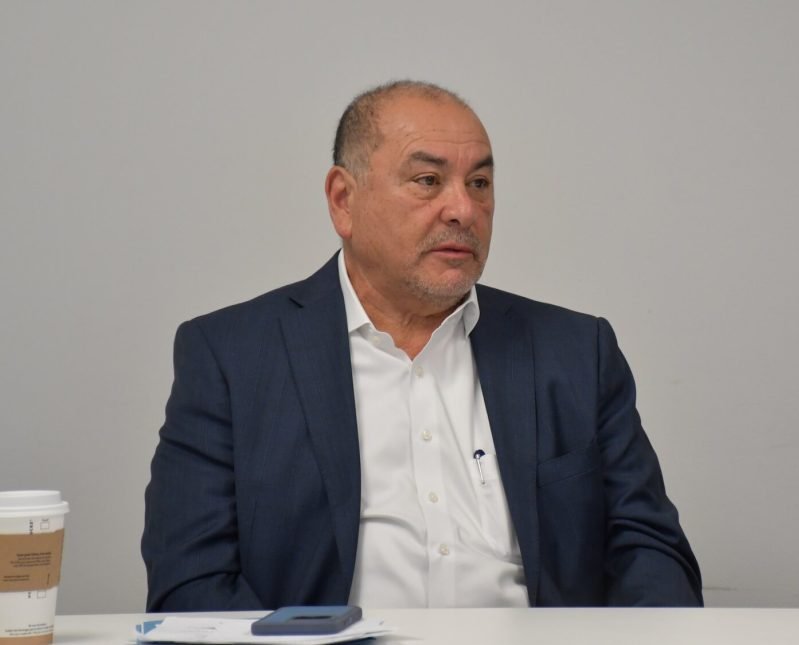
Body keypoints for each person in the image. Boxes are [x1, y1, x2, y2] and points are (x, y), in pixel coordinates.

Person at [142, 80, 703, 611]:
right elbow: (191, 583)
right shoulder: (232, 356)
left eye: (479, 184)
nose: (463, 210)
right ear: (343, 200)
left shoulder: (576, 352)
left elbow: (651, 554)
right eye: (428, 181)